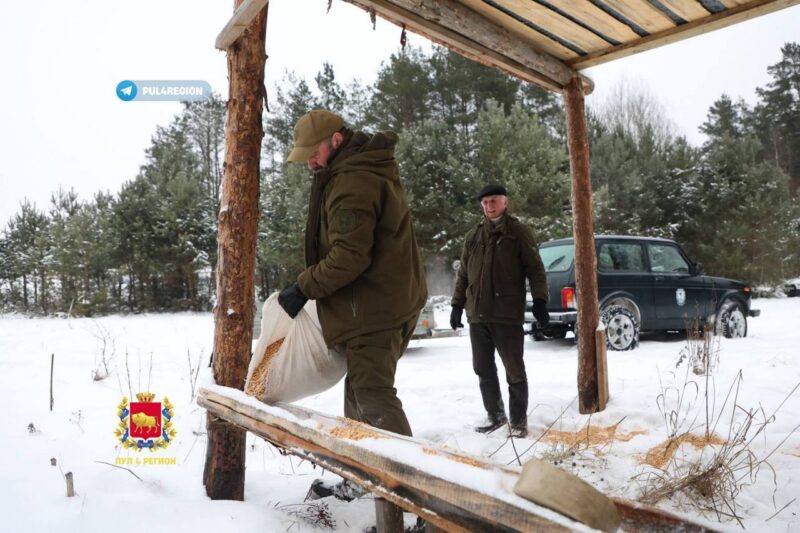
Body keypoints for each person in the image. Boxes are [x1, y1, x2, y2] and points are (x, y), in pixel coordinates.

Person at [277, 109, 427, 498]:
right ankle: (365, 480)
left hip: (374, 308)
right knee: (358, 399)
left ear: (337, 140)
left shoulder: (352, 180)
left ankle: (411, 496)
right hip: (377, 303)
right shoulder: (356, 169)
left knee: (373, 397)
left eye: (314, 151)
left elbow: (349, 258)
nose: (309, 160)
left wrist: (303, 287)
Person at [450, 184, 549, 439]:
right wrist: (457, 305)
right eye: (484, 203)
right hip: (478, 315)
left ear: (505, 202)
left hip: (506, 315)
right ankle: (495, 415)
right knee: (483, 368)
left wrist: (540, 300)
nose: (488, 206)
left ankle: (518, 422)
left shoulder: (518, 233)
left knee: (513, 369)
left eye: (493, 201)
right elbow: (463, 274)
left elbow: (535, 269)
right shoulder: (473, 236)